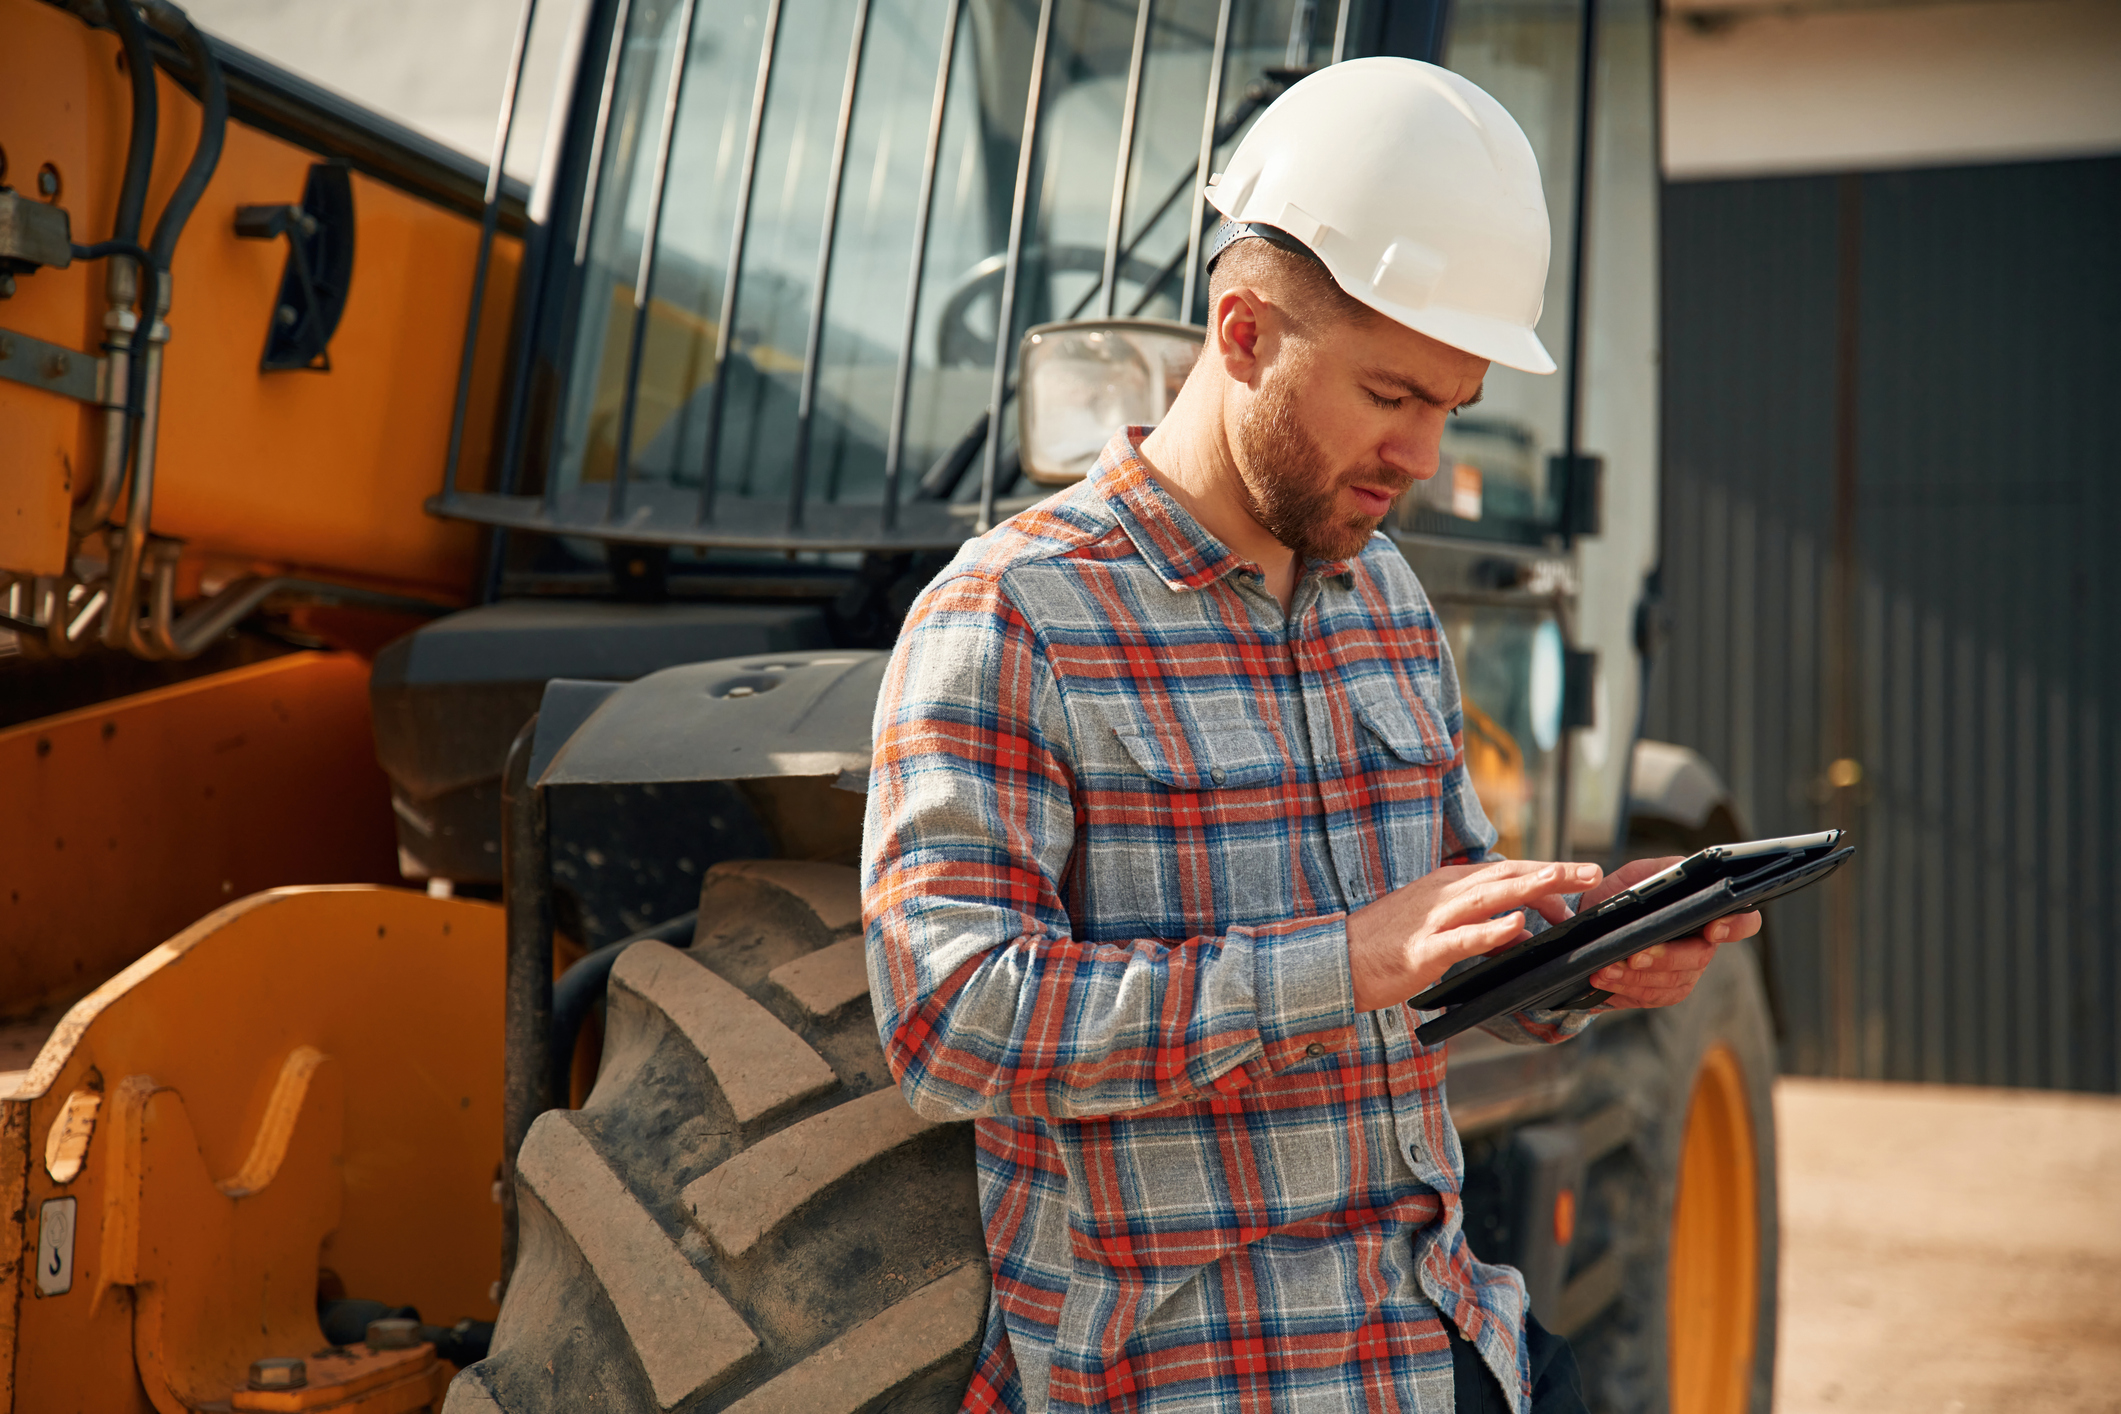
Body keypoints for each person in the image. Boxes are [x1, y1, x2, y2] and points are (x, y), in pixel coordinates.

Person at [862, 57, 1761, 1414]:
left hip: (1443, 1339)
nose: (1420, 453)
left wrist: (1584, 957)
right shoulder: (1011, 618)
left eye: (1447, 407)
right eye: (1389, 394)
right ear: (1239, 333)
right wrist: (1338, 963)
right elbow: (947, 1020)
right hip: (1198, 1373)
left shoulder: (1381, 597)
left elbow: (1431, 966)